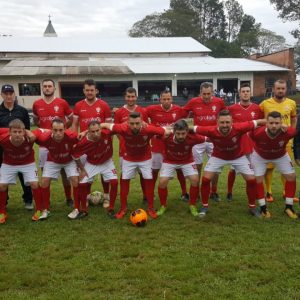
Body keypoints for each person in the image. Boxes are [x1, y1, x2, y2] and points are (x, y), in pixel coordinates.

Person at [194, 110, 265, 218]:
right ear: (217, 122)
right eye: (222, 122)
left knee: (251, 179)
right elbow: (192, 128)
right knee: (205, 179)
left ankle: (252, 207)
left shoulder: (239, 127)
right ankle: (204, 206)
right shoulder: (210, 130)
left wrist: (278, 124)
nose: (225, 125)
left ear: (232, 122)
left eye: (227, 122)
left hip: (238, 157)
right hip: (218, 157)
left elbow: (259, 121)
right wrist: (171, 129)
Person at [101, 111, 169, 219]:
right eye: (132, 123)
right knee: (124, 182)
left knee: (149, 182)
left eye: (137, 123)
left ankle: (151, 208)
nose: (135, 126)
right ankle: (123, 209)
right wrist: (86, 132)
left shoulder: (149, 129)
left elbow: (164, 131)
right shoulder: (122, 128)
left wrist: (162, 137)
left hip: (145, 158)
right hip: (129, 158)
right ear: (127, 123)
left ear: (142, 122)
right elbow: (104, 125)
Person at [33, 79, 74, 207]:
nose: (47, 88)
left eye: (49, 86)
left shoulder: (62, 102)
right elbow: (35, 120)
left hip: (61, 141)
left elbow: (70, 118)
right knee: (45, 171)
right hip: (45, 144)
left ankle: (69, 198)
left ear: (54, 88)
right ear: (42, 88)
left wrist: (62, 131)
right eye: (44, 86)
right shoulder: (37, 104)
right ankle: (46, 200)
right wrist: (44, 131)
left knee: (64, 171)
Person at [72, 79, 112, 208]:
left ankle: (106, 197)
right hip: (85, 145)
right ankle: (87, 196)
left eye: (92, 90)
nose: (89, 92)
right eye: (87, 90)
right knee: (85, 174)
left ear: (96, 91)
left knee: (105, 173)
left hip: (101, 144)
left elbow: (107, 126)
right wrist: (74, 139)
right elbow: (75, 124)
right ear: (84, 91)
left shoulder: (104, 105)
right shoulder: (78, 105)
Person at [183, 81, 226, 201]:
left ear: (213, 92)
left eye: (209, 94)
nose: (206, 96)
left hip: (214, 139)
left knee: (215, 167)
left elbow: (226, 114)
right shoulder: (193, 102)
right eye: (204, 94)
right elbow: (183, 113)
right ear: (200, 93)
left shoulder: (219, 102)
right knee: (197, 165)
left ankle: (214, 191)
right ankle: (196, 192)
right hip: (198, 139)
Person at [250, 111, 297, 219]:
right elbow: (249, 136)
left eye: (277, 123)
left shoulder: (289, 132)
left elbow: (294, 131)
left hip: (280, 155)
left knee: (292, 177)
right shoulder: (257, 133)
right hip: (260, 156)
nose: (274, 126)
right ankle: (263, 208)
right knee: (258, 179)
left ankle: (288, 207)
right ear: (266, 123)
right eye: (271, 123)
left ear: (282, 123)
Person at [31, 119, 79, 220]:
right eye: (55, 130)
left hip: (69, 160)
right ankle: (46, 209)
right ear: (51, 130)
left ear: (65, 129)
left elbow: (84, 139)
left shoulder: (72, 136)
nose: (58, 133)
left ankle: (76, 208)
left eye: (61, 130)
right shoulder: (44, 138)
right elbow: (35, 133)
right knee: (44, 181)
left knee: (75, 179)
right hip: (52, 160)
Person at [145, 90, 189, 202]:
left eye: (168, 99)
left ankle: (184, 193)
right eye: (164, 99)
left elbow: (189, 112)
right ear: (160, 99)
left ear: (171, 99)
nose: (166, 101)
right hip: (157, 146)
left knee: (180, 170)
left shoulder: (178, 110)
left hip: (174, 146)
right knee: (154, 171)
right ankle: (150, 194)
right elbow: (140, 113)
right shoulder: (152, 109)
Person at [156, 119, 205, 217]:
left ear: (187, 131)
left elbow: (205, 138)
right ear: (173, 132)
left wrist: (193, 129)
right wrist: (164, 129)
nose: (181, 136)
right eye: (178, 133)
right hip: (169, 161)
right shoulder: (166, 136)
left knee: (195, 179)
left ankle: (192, 205)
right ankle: (163, 205)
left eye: (183, 133)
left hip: (187, 161)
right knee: (162, 182)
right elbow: (155, 133)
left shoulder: (193, 137)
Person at [259, 79, 297, 202]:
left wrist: (292, 131)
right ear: (273, 89)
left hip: (286, 141)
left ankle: (285, 191)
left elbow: (294, 118)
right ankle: (269, 192)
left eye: (283, 88)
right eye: (278, 88)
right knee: (269, 167)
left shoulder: (291, 103)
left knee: (286, 167)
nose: (280, 91)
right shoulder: (265, 104)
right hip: (270, 140)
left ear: (286, 89)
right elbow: (260, 121)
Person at [72, 121, 118, 219]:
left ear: (101, 129)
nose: (96, 133)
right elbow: (75, 156)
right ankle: (84, 210)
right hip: (92, 163)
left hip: (107, 162)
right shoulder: (83, 142)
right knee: (82, 183)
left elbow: (120, 128)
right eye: (93, 131)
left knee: (114, 182)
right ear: (88, 131)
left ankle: (111, 208)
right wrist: (82, 170)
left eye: (98, 130)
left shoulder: (106, 133)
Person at [0, 119, 42, 224]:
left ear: (24, 132)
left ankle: (39, 210)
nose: (17, 134)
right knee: (1, 185)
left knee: (35, 184)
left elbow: (44, 130)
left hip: (28, 163)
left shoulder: (30, 137)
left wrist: (29, 132)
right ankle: (2, 212)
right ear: (9, 132)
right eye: (14, 132)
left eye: (20, 132)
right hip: (9, 164)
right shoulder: (3, 139)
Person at [226, 83, 264, 201]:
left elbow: (261, 124)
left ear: (251, 93)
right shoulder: (232, 109)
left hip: (253, 144)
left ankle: (255, 192)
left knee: (253, 170)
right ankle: (229, 192)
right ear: (239, 93)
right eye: (243, 91)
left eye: (247, 91)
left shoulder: (257, 108)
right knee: (233, 168)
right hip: (237, 144)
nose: (246, 93)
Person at [0, 84, 33, 210]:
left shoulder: (22, 111)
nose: (8, 96)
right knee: (3, 176)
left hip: (20, 147)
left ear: (14, 94)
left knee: (24, 174)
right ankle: (4, 201)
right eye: (6, 93)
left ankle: (28, 199)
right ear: (2, 95)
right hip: (2, 149)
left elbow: (28, 130)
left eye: (11, 93)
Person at [114, 87, 148, 203]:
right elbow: (117, 131)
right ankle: (124, 199)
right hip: (125, 150)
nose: (130, 99)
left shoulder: (142, 111)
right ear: (125, 97)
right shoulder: (119, 112)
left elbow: (146, 129)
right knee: (125, 175)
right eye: (128, 96)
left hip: (141, 149)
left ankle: (146, 195)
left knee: (143, 174)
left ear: (136, 97)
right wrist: (126, 140)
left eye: (133, 96)